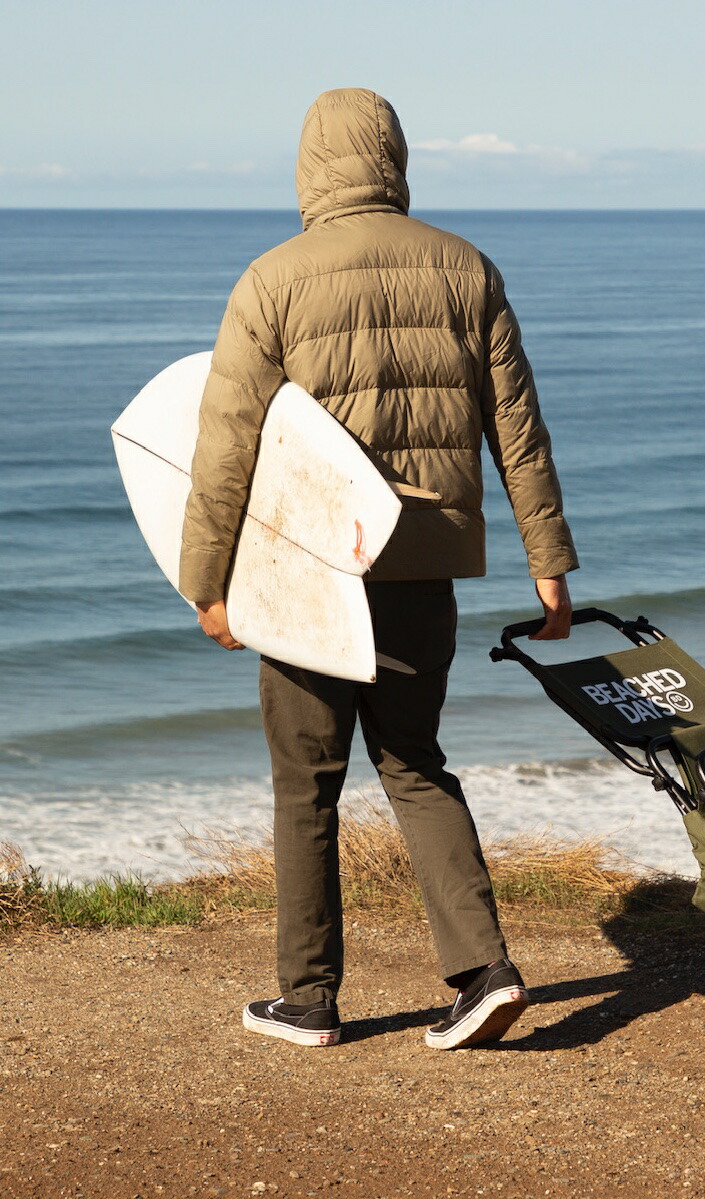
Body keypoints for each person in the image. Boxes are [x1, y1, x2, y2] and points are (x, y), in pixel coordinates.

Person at [178, 88, 578, 1050]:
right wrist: (549, 562)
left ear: (310, 165)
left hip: (308, 574)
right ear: (394, 156)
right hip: (421, 571)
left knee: (306, 780)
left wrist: (208, 579)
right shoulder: (466, 270)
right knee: (413, 761)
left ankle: (309, 998)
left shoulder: (271, 280)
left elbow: (225, 441)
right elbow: (515, 433)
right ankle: (484, 972)